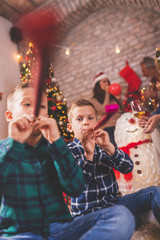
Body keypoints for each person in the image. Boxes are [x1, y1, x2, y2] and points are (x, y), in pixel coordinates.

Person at [0, 82, 135, 240]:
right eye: (27, 104)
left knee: (121, 216)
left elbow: (76, 188)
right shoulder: (4, 149)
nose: (35, 110)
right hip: (20, 234)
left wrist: (57, 142)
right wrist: (14, 145)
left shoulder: (57, 147)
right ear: (9, 116)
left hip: (61, 230)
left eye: (42, 106)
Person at [67, 98, 160, 228]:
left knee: (154, 192)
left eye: (90, 118)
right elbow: (76, 183)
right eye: (79, 119)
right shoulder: (67, 151)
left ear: (97, 122)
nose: (86, 123)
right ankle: (131, 220)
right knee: (126, 222)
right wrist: (88, 154)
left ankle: (131, 219)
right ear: (70, 127)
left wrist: (109, 147)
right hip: (87, 214)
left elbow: (128, 167)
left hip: (114, 205)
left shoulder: (102, 145)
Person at [90, 72, 123, 146]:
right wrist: (107, 93)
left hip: (121, 124)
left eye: (108, 81)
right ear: (98, 84)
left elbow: (121, 109)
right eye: (104, 81)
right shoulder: (94, 99)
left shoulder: (113, 95)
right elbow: (104, 110)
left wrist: (119, 98)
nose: (107, 83)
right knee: (116, 149)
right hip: (109, 127)